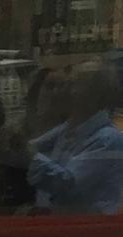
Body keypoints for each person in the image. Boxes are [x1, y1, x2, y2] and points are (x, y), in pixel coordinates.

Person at [25, 62, 123, 216]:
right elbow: (33, 147)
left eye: (73, 84)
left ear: (95, 95)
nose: (62, 91)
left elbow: (67, 184)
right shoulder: (67, 128)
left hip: (86, 228)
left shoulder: (108, 140)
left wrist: (29, 156)